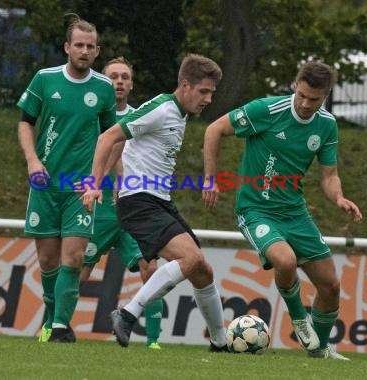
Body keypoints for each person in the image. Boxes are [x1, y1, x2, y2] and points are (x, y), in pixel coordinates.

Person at [202, 61, 363, 360]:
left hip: (295, 213)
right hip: (255, 210)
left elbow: (329, 176)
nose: (304, 103)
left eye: (313, 99)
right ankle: (300, 321)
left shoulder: (326, 125)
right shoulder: (268, 110)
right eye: (301, 94)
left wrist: (339, 197)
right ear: (295, 85)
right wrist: (210, 179)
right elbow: (214, 130)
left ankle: (320, 350)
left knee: (330, 285)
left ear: (325, 95)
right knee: (285, 261)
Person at [80, 54, 228, 351]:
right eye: (204, 92)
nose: (209, 99)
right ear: (185, 85)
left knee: (203, 271)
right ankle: (127, 314)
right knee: (190, 259)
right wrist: (94, 184)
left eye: (212, 93)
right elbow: (109, 137)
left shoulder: (178, 112)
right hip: (138, 201)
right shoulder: (161, 109)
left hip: (158, 201)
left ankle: (221, 343)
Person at [17, 15, 116, 343]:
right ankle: (50, 318)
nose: (84, 51)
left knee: (73, 257)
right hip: (45, 185)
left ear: (97, 50)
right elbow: (25, 122)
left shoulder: (103, 88)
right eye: (79, 45)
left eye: (90, 46)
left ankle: (61, 326)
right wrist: (33, 160)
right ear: (67, 48)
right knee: (47, 260)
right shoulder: (45, 79)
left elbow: (112, 137)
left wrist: (97, 180)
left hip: (80, 189)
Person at [80, 57, 164, 349]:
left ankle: (153, 340)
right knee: (78, 268)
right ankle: (55, 324)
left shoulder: (143, 116)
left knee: (150, 266)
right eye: (113, 76)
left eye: (124, 77)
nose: (119, 81)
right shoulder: (90, 115)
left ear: (131, 83)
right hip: (98, 205)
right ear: (103, 81)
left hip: (134, 205)